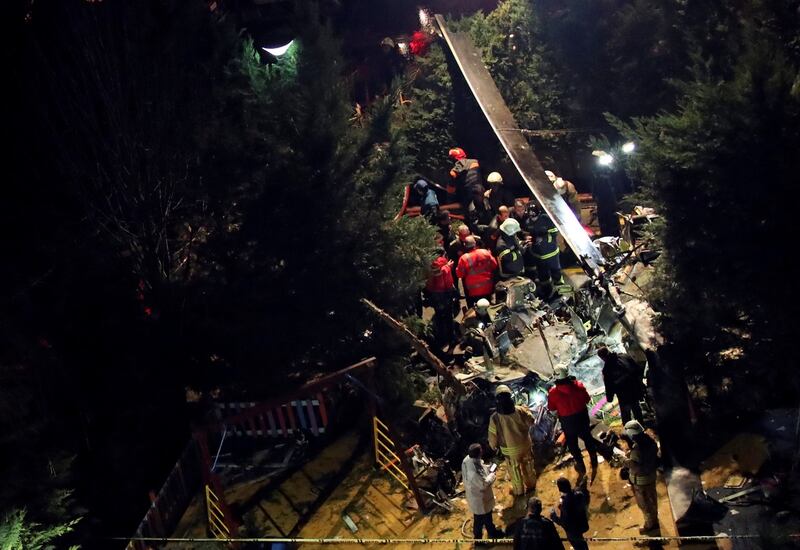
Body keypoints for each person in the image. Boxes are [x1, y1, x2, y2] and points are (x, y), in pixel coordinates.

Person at [547, 365, 611, 481]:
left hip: (567, 421)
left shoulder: (553, 392)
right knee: (588, 438)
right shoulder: (579, 386)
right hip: (582, 417)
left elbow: (551, 408)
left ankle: (581, 466)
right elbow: (587, 399)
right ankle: (594, 460)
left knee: (572, 444)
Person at [488, 385, 537, 496]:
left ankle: (519, 491)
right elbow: (532, 421)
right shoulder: (520, 410)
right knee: (528, 466)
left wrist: (493, 446)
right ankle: (532, 486)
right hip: (525, 445)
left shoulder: (495, 418)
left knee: (515, 471)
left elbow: (492, 438)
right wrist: (527, 410)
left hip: (509, 451)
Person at [621, 420, 661, 537]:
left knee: (645, 505)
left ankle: (650, 525)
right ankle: (655, 520)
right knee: (653, 501)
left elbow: (635, 465)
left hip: (641, 482)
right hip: (651, 477)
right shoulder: (650, 441)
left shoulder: (637, 449)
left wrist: (625, 461)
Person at [461, 443, 504, 542]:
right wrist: (492, 474)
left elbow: (480, 466)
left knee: (482, 518)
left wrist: (489, 468)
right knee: (482, 519)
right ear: (479, 453)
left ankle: (489, 533)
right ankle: (482, 539)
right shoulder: (474, 473)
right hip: (480, 499)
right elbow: (484, 484)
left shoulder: (467, 459)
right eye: (481, 450)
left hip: (474, 495)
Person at [597, 346, 646, 424]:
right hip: (634, 389)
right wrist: (639, 383)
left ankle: (630, 431)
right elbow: (637, 369)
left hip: (623, 395)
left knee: (626, 414)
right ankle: (641, 426)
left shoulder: (607, 369)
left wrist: (609, 398)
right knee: (636, 408)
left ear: (602, 358)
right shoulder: (624, 356)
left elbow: (609, 386)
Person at [524, 203, 563, 299]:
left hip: (551, 252)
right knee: (542, 273)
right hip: (538, 254)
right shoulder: (528, 222)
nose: (533, 219)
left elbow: (554, 231)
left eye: (534, 217)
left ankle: (560, 289)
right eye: (531, 217)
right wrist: (529, 238)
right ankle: (546, 290)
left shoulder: (546, 219)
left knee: (556, 271)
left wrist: (544, 238)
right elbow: (529, 233)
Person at [423, 253, 458, 349]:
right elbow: (447, 281)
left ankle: (441, 338)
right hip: (444, 295)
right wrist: (448, 267)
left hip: (434, 295)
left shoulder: (429, 263)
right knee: (448, 317)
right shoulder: (442, 263)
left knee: (439, 316)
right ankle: (451, 339)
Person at [456, 236, 498, 307]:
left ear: (465, 245)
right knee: (488, 306)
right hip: (488, 287)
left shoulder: (463, 258)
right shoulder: (485, 252)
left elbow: (459, 275)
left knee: (475, 309)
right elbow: (494, 265)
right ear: (475, 244)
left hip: (473, 291)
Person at [550, 477, 590, 550]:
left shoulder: (565, 504)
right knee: (582, 543)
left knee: (578, 545)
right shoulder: (579, 494)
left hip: (573, 530)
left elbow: (565, 522)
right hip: (582, 524)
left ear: (559, 489)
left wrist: (553, 515)